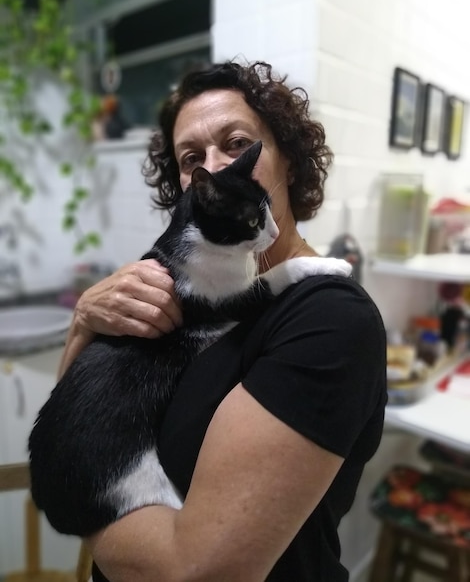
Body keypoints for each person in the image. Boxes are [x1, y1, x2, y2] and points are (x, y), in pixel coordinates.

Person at [60, 61, 387, 582]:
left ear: (290, 162)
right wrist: (83, 323)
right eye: (190, 158)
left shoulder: (329, 320)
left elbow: (195, 574)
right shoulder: (185, 284)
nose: (210, 168)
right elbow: (78, 418)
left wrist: (76, 490)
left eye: (236, 144)